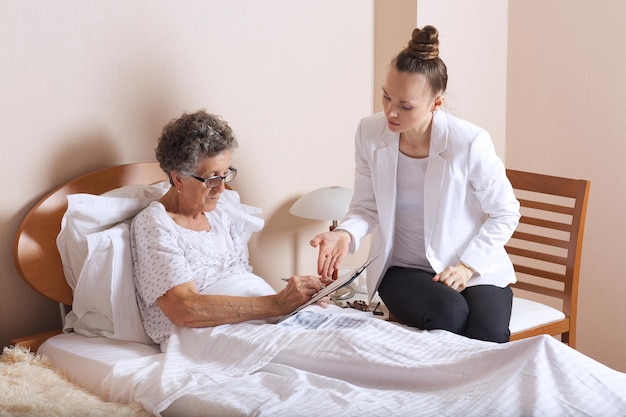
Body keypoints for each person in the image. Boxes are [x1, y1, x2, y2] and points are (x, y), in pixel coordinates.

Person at [310, 26, 521, 343]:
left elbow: (505, 212)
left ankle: (471, 392)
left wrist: (466, 267)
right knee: (450, 315)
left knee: (487, 332)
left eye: (405, 105)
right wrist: (344, 233)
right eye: (386, 96)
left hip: (473, 267)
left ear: (436, 103)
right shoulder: (369, 133)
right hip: (403, 269)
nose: (390, 111)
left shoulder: (469, 142)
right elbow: (366, 208)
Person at [130, 110, 329, 350]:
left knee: (346, 336)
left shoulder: (222, 216)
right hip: (209, 334)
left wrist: (298, 298)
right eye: (212, 178)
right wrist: (278, 303)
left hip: (260, 320)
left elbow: (243, 282)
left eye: (226, 174)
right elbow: (184, 308)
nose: (222, 189)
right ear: (179, 179)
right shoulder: (155, 223)